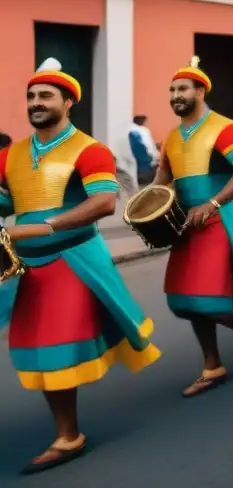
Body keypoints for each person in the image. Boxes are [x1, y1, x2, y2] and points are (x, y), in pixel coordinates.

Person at [0, 58, 160, 474]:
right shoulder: (11, 154)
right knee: (32, 348)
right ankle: (66, 430)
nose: (36, 102)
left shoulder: (89, 150)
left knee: (54, 345)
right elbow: (8, 200)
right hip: (26, 268)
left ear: (67, 101)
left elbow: (104, 203)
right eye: (31, 95)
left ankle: (68, 435)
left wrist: (41, 226)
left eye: (45, 95)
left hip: (72, 260)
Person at [153, 57, 233, 397]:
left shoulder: (225, 127)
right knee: (184, 299)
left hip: (220, 219)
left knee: (206, 298)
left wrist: (213, 203)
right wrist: (146, 204)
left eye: (182, 88)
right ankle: (212, 365)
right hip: (187, 224)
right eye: (172, 89)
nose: (176, 94)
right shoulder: (172, 137)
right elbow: (163, 180)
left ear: (200, 90)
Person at [128, 115, 159, 186]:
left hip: (146, 163)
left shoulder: (141, 130)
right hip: (143, 165)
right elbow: (141, 148)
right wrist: (150, 158)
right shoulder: (135, 132)